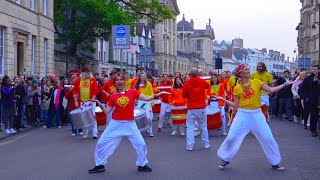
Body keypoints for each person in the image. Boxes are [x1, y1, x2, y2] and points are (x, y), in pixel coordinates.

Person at [215, 64, 297, 171]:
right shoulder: (237, 88)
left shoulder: (256, 82)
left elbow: (271, 90)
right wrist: (223, 99)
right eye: (246, 69)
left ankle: (275, 162)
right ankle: (225, 158)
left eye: (248, 69)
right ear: (240, 73)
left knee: (268, 138)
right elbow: (235, 105)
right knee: (231, 137)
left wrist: (285, 85)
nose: (248, 71)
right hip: (242, 115)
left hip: (257, 115)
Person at [87, 73, 170, 174]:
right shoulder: (113, 96)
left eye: (120, 79)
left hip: (130, 124)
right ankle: (99, 165)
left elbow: (147, 99)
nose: (119, 81)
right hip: (116, 124)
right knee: (101, 143)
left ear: (124, 81)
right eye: (116, 80)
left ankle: (142, 164)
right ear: (115, 83)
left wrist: (158, 95)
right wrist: (99, 104)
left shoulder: (132, 92)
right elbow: (107, 112)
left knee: (141, 144)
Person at [182, 67, 210, 151]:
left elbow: (183, 95)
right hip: (201, 107)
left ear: (190, 75)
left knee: (190, 127)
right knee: (203, 126)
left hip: (191, 108)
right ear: (198, 74)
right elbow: (207, 86)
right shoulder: (202, 81)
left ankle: (190, 145)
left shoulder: (187, 83)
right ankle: (206, 144)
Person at [72, 66, 99, 139]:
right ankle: (85, 133)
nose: (88, 73)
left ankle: (94, 133)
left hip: (91, 102)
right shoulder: (78, 80)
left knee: (93, 117)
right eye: (87, 72)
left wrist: (92, 100)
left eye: (89, 72)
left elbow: (96, 90)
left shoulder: (92, 79)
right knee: (83, 118)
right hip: (82, 102)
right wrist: (75, 101)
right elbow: (74, 91)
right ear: (83, 73)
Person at [300, 65, 320, 136]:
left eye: (316, 69)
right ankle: (313, 130)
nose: (314, 70)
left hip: (318, 99)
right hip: (312, 99)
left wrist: (317, 82)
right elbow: (304, 89)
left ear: (318, 70)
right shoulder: (308, 78)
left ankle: (317, 129)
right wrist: (306, 97)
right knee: (313, 114)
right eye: (313, 69)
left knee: (317, 115)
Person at [133, 72, 154, 137]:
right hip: (139, 102)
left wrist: (152, 102)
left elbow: (152, 93)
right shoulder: (136, 84)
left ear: (146, 77)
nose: (143, 77)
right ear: (140, 77)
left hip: (147, 102)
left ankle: (150, 131)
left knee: (148, 117)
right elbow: (134, 93)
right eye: (142, 76)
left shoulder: (149, 84)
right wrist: (134, 100)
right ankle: (138, 131)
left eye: (144, 76)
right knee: (137, 118)